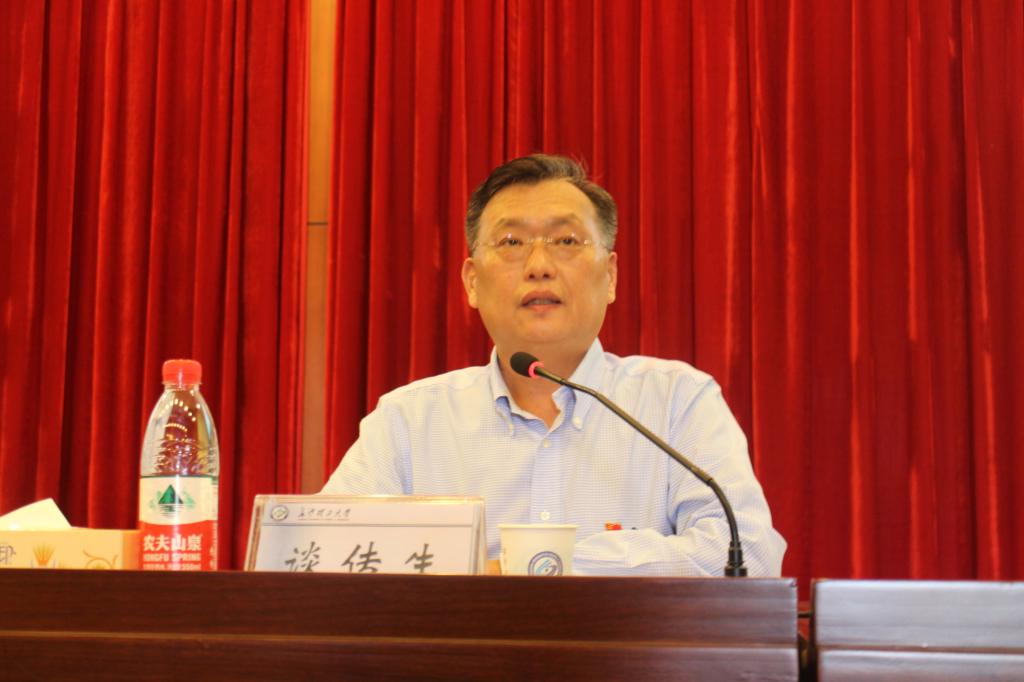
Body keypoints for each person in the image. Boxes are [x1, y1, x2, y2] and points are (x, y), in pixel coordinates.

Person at [322, 154, 786, 576]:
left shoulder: (676, 401)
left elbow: (747, 552)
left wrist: (528, 567)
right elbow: (326, 556)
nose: (539, 265)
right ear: (472, 283)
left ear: (610, 276)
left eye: (566, 240)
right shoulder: (408, 420)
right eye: (511, 242)